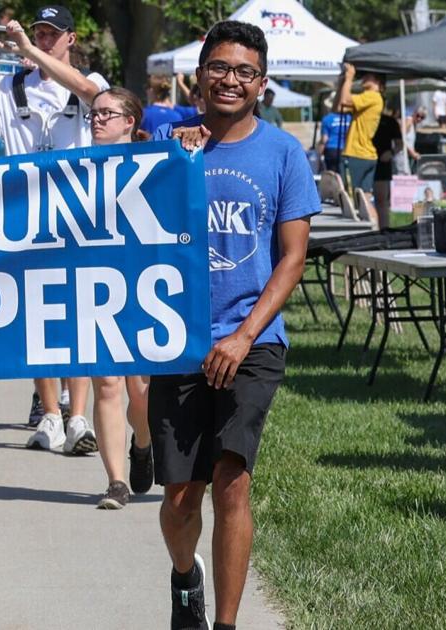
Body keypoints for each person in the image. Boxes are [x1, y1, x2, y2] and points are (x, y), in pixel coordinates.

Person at [153, 20, 319, 629]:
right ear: (199, 75)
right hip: (176, 337)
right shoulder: (167, 143)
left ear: (262, 84)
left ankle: (225, 623)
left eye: (244, 72)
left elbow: (293, 257)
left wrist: (244, 334)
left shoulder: (281, 153)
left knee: (231, 481)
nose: (231, 80)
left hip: (253, 340)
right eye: (220, 67)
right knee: (178, 502)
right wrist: (170, 151)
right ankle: (184, 575)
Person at [0, 5, 108, 451]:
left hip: (77, 215)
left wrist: (31, 49)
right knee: (39, 317)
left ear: (70, 39)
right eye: (38, 33)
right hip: (25, 216)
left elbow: (91, 92)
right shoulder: (13, 85)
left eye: (52, 34)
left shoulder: (89, 82)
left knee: (78, 316)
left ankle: (78, 416)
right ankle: (51, 413)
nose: (43, 39)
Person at [84, 86, 157, 509]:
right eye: (94, 113)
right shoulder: (76, 165)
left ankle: (142, 443)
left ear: (130, 121)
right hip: (95, 284)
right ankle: (115, 482)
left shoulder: (154, 163)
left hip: (143, 283)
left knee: (141, 389)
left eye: (107, 114)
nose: (97, 119)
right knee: (107, 384)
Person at [337, 63, 383, 203]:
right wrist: (342, 84)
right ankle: (374, 225)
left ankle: (359, 225)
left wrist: (349, 78)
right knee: (365, 200)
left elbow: (345, 101)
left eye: (368, 75)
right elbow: (338, 107)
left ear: (377, 81)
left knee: (348, 200)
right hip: (367, 155)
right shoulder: (368, 99)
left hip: (356, 154)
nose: (364, 77)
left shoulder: (373, 96)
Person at [372, 104, 404, 230]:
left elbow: (400, 144)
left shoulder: (390, 121)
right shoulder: (363, 119)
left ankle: (384, 230)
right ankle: (370, 228)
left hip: (382, 162)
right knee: (363, 198)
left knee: (381, 200)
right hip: (364, 159)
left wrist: (390, 153)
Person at [317, 97, 351, 174]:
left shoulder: (327, 119)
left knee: (332, 176)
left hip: (331, 150)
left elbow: (324, 139)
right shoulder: (349, 118)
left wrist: (319, 154)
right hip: (346, 150)